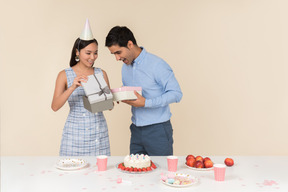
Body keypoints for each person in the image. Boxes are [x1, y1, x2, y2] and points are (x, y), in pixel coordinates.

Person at [105, 26, 183, 156]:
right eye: (114, 54)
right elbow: (133, 93)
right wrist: (121, 96)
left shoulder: (157, 65)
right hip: (136, 130)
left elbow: (176, 94)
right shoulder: (125, 67)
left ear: (130, 44)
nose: (117, 58)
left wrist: (146, 103)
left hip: (158, 130)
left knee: (161, 173)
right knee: (135, 173)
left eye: (118, 52)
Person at [51, 19, 111, 156]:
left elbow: (109, 106)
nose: (92, 57)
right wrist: (72, 87)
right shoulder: (64, 75)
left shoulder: (101, 73)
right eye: (88, 53)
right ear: (77, 52)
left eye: (95, 53)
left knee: (100, 173)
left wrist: (110, 98)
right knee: (71, 174)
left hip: (98, 134)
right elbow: (55, 106)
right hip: (74, 135)